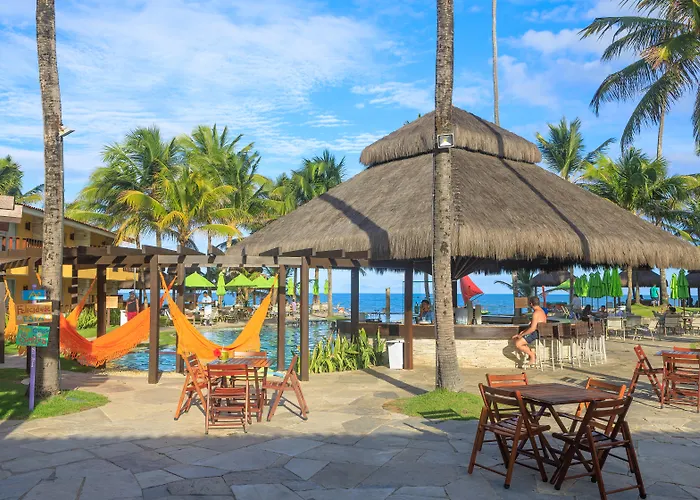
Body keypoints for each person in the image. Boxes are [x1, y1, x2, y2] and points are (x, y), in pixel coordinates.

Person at [512, 296, 546, 367]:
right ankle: (532, 352)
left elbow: (532, 328)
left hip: (536, 333)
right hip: (538, 332)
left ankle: (532, 356)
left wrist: (521, 335)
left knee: (518, 344)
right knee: (517, 339)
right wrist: (523, 332)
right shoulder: (541, 311)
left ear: (531, 304)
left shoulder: (536, 313)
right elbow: (531, 326)